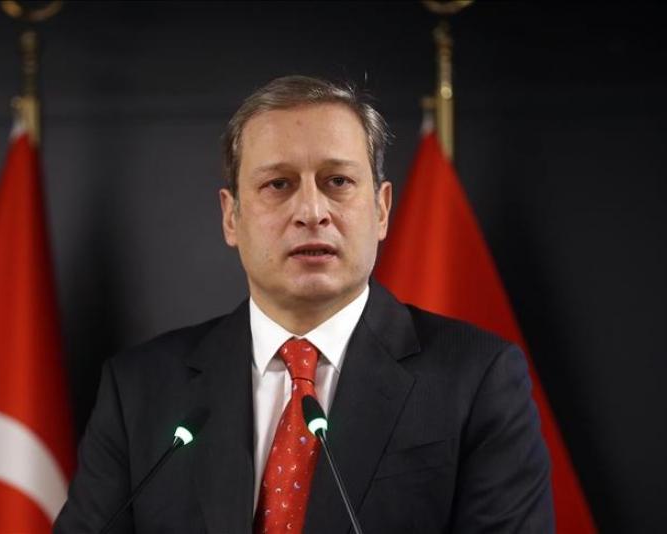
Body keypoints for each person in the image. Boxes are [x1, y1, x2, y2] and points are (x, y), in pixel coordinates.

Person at [54, 75, 554, 533]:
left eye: (338, 182)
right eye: (279, 184)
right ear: (231, 217)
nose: (312, 212)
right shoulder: (140, 390)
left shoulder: (478, 379)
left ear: (381, 209)